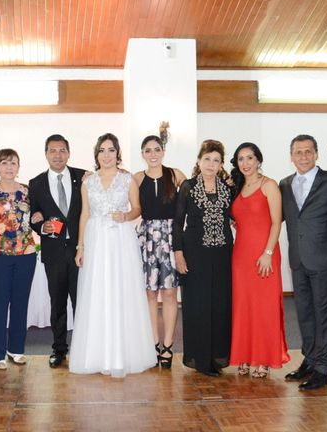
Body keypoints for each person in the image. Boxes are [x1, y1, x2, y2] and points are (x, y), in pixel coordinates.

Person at [70, 133, 157, 377]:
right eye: (102, 150)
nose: (106, 155)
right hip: (96, 239)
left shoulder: (127, 179)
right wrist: (80, 246)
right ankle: (96, 354)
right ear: (96, 154)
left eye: (111, 150)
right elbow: (84, 214)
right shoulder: (88, 182)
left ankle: (124, 354)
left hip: (121, 239)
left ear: (118, 153)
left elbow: (138, 208)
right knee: (96, 293)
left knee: (121, 292)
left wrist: (126, 216)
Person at [279, 135, 327, 391]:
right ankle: (309, 359)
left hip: (323, 260)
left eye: (308, 152)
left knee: (324, 314)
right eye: (298, 152)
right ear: (291, 156)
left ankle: (323, 369)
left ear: (316, 154)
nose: (303, 156)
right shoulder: (285, 184)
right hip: (298, 261)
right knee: (304, 313)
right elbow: (273, 216)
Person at [229, 142, 290, 378]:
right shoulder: (238, 188)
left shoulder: (269, 185)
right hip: (241, 255)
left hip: (264, 254)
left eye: (250, 158)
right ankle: (244, 355)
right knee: (243, 306)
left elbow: (276, 222)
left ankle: (263, 358)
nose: (245, 163)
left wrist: (267, 253)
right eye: (241, 159)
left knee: (264, 307)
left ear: (258, 160)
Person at [173, 139, 233, 377]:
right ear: (199, 161)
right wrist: (178, 253)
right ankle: (199, 359)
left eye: (216, 160)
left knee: (219, 305)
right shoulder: (187, 187)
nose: (211, 164)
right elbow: (178, 223)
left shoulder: (228, 188)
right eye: (207, 158)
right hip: (194, 254)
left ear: (221, 165)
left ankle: (217, 357)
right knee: (197, 306)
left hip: (222, 254)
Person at [29, 135, 86, 368]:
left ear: (69, 153)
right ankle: (59, 349)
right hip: (53, 252)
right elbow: (33, 217)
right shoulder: (36, 183)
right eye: (53, 151)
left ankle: (85, 348)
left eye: (62, 150)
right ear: (46, 154)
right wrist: (41, 226)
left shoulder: (83, 177)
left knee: (83, 302)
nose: (58, 155)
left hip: (81, 251)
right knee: (58, 304)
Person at [0, 149, 37, 370]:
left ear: (19, 166)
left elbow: (36, 217)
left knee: (20, 303)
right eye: (4, 163)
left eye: (13, 163)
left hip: (26, 254)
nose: (9, 167)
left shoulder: (27, 191)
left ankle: (16, 349)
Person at [134, 135, 186, 368]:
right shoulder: (136, 178)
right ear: (142, 154)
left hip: (170, 237)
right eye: (147, 150)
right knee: (149, 294)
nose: (153, 154)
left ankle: (167, 345)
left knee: (169, 293)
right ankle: (152, 343)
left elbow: (192, 200)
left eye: (156, 149)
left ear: (163, 151)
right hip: (146, 237)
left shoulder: (175, 175)